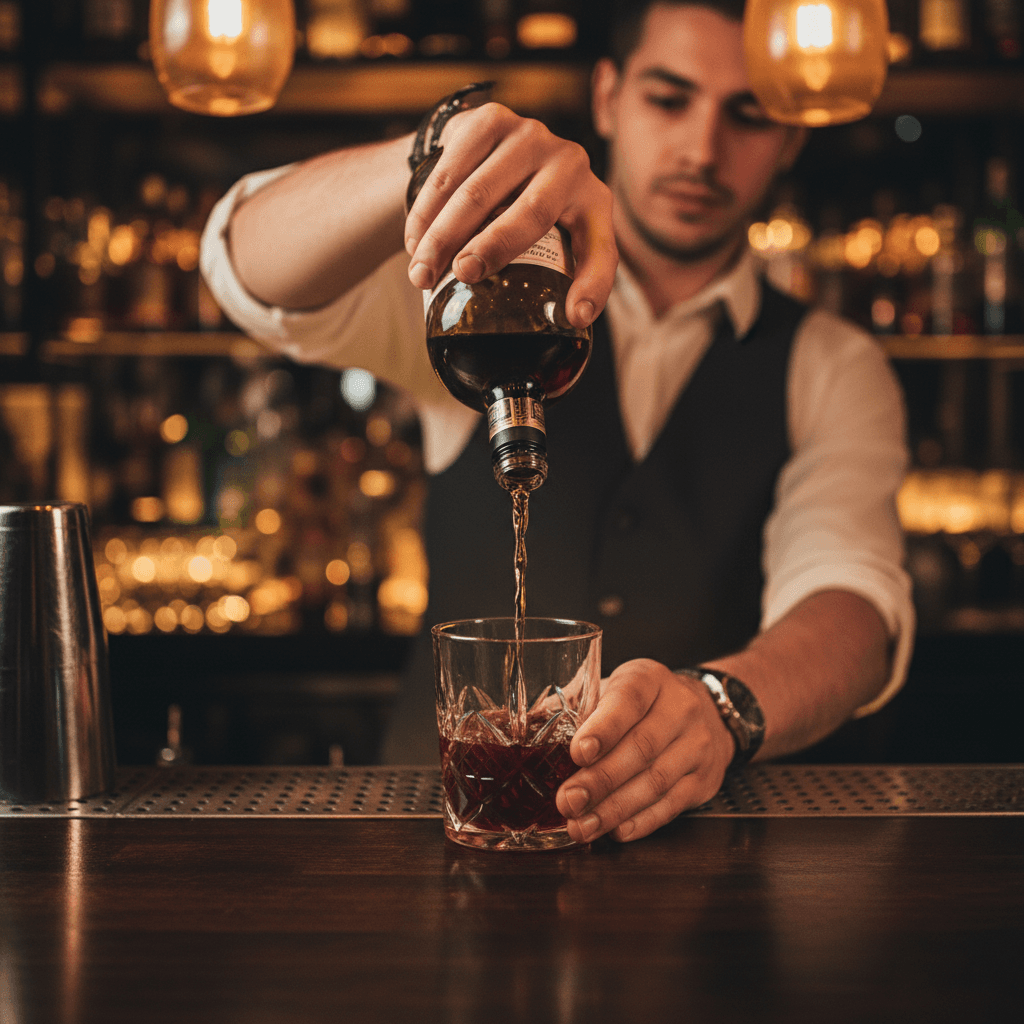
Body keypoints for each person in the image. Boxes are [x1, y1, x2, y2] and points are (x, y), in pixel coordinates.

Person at [200, 0, 915, 844]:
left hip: (684, 875)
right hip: (429, 854)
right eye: (668, 97)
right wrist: (432, 159)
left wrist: (719, 706)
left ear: (792, 137)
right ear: (609, 97)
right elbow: (242, 269)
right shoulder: (475, 286)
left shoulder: (830, 363)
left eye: (748, 114)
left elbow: (854, 602)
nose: (701, 150)